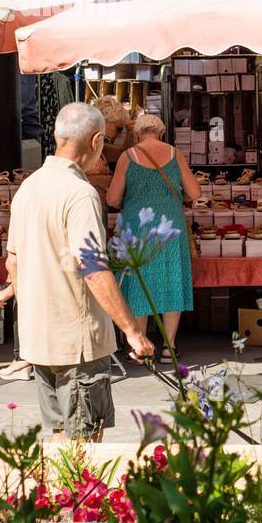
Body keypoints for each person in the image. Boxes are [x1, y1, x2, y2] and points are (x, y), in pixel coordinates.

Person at [7, 103, 153, 441]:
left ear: (57, 136)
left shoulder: (27, 189)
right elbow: (93, 267)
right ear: (98, 140)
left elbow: (12, 262)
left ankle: (61, 494)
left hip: (39, 336)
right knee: (86, 441)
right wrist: (132, 331)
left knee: (59, 434)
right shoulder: (80, 193)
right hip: (78, 340)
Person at [106, 113, 197, 359]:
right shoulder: (174, 154)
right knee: (172, 279)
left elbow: (112, 199)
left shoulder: (128, 156)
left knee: (139, 281)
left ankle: (141, 345)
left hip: (138, 228)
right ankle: (170, 346)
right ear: (162, 133)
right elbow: (195, 191)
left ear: (136, 134)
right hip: (171, 226)